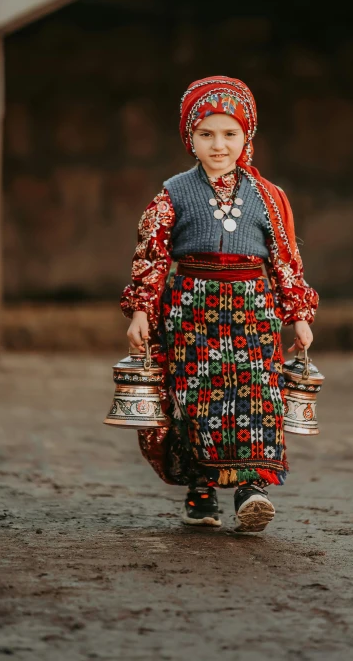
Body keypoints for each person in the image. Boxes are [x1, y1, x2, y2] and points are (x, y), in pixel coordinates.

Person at [120, 76, 319, 533]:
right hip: (190, 312)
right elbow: (151, 256)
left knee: (258, 394)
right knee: (194, 397)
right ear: (189, 137)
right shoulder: (173, 192)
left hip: (254, 313)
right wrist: (140, 311)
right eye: (206, 134)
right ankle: (202, 489)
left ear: (247, 136)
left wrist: (300, 316)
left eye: (230, 133)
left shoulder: (268, 198)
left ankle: (252, 488)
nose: (218, 145)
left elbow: (286, 259)